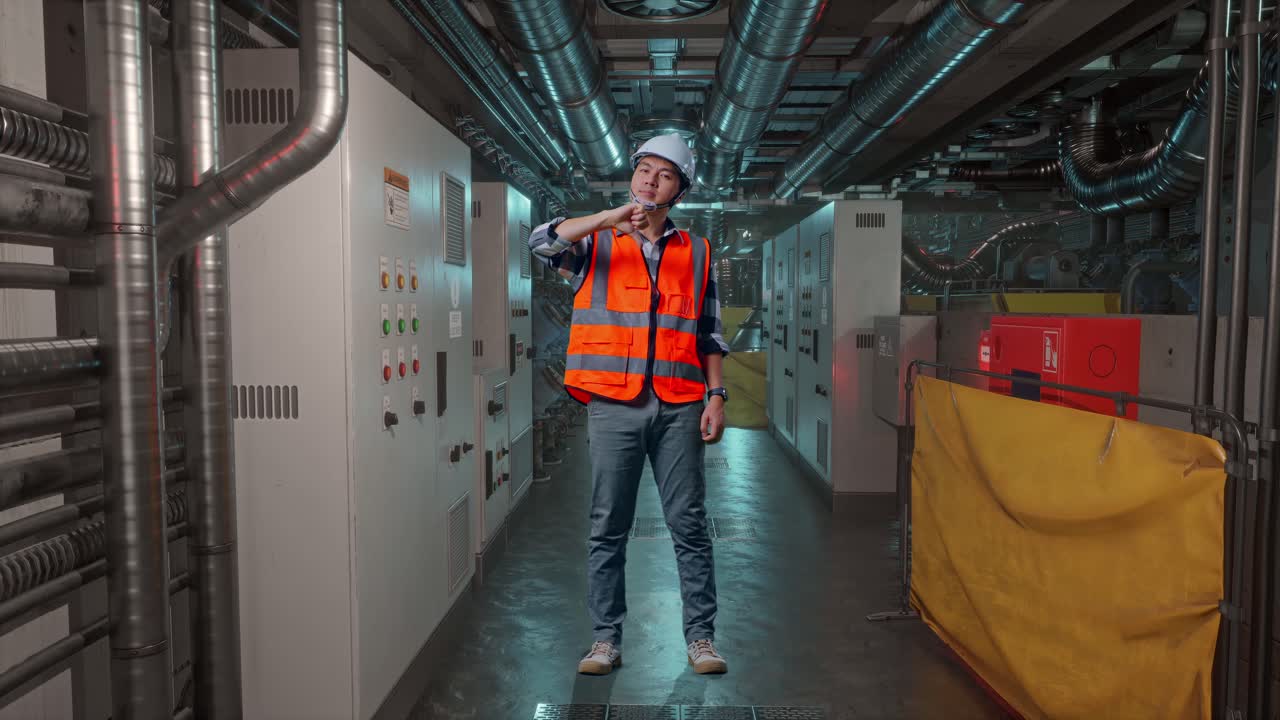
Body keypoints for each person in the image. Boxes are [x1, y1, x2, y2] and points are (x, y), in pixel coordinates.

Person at [527, 133, 731, 676]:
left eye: (665, 175)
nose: (650, 181)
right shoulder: (594, 243)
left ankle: (702, 638)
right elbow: (540, 242)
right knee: (607, 525)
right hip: (614, 403)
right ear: (631, 176)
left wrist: (717, 395)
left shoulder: (697, 252)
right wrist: (604, 219)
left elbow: (709, 333)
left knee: (688, 524)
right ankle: (605, 640)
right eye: (644, 170)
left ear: (678, 189)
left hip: (680, 404)